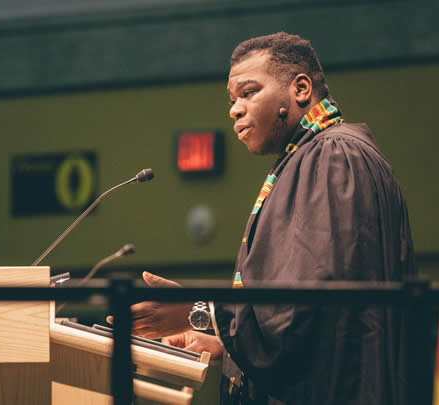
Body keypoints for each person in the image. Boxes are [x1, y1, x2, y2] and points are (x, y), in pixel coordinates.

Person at [109, 32, 417, 404]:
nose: (234, 109)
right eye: (232, 99)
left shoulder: (334, 157)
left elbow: (304, 309)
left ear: (301, 89)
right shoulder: (313, 157)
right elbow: (320, 325)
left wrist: (198, 312)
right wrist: (225, 342)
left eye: (249, 92)